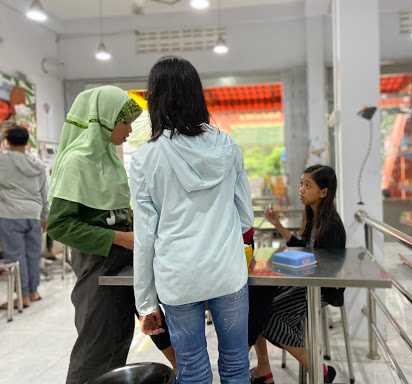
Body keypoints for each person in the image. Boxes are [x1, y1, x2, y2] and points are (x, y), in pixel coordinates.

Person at [130, 56, 254, 384]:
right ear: (197, 95)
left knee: (192, 369)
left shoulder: (146, 158)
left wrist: (145, 302)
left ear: (155, 99)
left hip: (178, 277)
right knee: (236, 362)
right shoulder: (227, 146)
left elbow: (145, 238)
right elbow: (245, 216)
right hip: (227, 271)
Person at [47, 85, 175, 384]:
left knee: (117, 345)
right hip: (98, 274)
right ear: (103, 119)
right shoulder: (77, 162)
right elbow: (60, 225)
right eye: (124, 122)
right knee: (94, 353)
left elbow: (115, 213)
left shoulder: (108, 160)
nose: (129, 130)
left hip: (120, 268)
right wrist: (121, 238)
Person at [249, 165, 346, 384]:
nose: (301, 189)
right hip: (306, 282)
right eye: (301, 184)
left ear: (323, 192)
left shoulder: (330, 225)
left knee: (264, 314)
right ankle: (265, 370)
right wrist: (277, 224)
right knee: (256, 302)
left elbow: (325, 269)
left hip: (319, 289)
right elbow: (302, 247)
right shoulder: (313, 216)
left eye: (307, 185)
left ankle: (318, 370)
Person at [0, 125, 48, 308]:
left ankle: (22, 296)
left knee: (16, 257)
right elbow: (45, 193)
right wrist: (45, 216)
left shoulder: (2, 161)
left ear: (7, 141)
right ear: (28, 142)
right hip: (34, 215)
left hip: (10, 215)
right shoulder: (37, 165)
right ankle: (33, 291)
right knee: (33, 255)